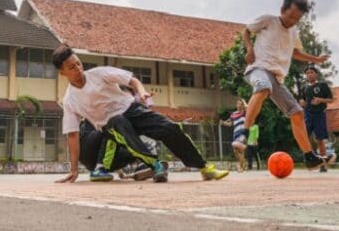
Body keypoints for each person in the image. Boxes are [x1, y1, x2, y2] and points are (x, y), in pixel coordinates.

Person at [53, 44, 228, 183]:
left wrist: (142, 92)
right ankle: (155, 165)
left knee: (169, 128)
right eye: (72, 67)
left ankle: (204, 168)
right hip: (111, 126)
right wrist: (74, 170)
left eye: (78, 63)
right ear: (62, 73)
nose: (78, 69)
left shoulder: (99, 74)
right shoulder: (70, 100)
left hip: (132, 109)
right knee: (118, 121)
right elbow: (73, 136)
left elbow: (132, 80)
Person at [240, 0, 332, 170]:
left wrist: (316, 59)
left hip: (277, 78)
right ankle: (243, 134)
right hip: (258, 68)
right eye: (290, 16)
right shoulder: (268, 20)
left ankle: (309, 157)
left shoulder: (293, 32)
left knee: (297, 112)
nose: (292, 21)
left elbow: (295, 52)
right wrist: (250, 48)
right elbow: (245, 30)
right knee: (263, 86)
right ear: (283, 10)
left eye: (297, 18)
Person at [299, 66, 335, 172]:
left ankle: (323, 164)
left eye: (311, 72)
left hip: (319, 114)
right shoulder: (304, 88)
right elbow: (302, 100)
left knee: (320, 140)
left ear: (316, 74)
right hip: (308, 115)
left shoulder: (322, 85)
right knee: (304, 137)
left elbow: (331, 100)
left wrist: (320, 100)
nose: (309, 74)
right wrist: (302, 103)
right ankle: (311, 160)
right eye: (307, 73)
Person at [220, 98, 247, 172]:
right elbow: (229, 124)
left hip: (242, 133)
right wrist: (223, 123)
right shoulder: (233, 114)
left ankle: (240, 167)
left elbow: (247, 107)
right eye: (238, 104)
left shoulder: (244, 112)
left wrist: (244, 101)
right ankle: (242, 163)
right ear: (236, 105)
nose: (240, 105)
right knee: (236, 150)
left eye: (241, 104)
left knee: (237, 147)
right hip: (235, 133)